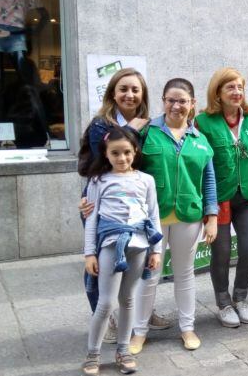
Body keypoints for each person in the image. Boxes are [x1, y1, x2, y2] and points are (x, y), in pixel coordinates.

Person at [78, 68, 171, 344]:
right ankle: (104, 317)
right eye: (123, 89)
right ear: (112, 93)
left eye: (135, 90)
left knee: (139, 261)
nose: (129, 95)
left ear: (143, 95)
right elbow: (100, 164)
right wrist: (131, 131)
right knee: (98, 264)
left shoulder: (150, 124)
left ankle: (142, 313)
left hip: (136, 204)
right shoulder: (101, 124)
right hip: (103, 204)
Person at [130, 78, 218, 353]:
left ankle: (187, 328)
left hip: (188, 216)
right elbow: (125, 165)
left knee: (185, 274)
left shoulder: (200, 139)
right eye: (171, 100)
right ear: (163, 101)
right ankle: (139, 332)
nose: (176, 106)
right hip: (152, 218)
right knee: (149, 274)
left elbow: (209, 180)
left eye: (182, 101)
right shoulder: (147, 132)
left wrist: (212, 216)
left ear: (192, 104)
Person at [81, 126, 163, 376]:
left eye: (127, 152)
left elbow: (153, 215)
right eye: (115, 153)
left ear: (135, 151)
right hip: (110, 246)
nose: (122, 158)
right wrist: (89, 253)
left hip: (139, 246)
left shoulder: (146, 180)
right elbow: (91, 219)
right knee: (106, 302)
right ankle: (93, 353)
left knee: (128, 299)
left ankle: (124, 350)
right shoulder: (98, 181)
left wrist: (156, 250)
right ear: (105, 154)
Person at [195, 67, 248, 328]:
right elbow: (199, 162)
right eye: (230, 87)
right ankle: (223, 303)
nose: (237, 92)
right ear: (217, 92)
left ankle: (240, 298)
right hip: (219, 198)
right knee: (222, 253)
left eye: (240, 87)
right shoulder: (204, 122)